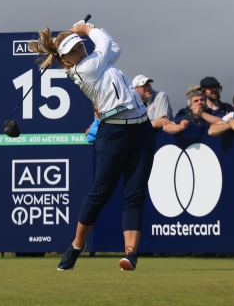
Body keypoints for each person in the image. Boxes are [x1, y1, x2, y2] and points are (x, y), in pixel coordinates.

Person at [28, 21, 154, 272]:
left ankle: (130, 254)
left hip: (142, 129)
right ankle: (76, 246)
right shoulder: (84, 70)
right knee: (100, 192)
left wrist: (88, 31)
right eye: (74, 50)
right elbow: (105, 44)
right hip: (113, 133)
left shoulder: (98, 62)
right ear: (67, 61)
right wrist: (86, 28)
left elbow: (113, 47)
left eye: (80, 46)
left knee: (134, 194)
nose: (81, 50)